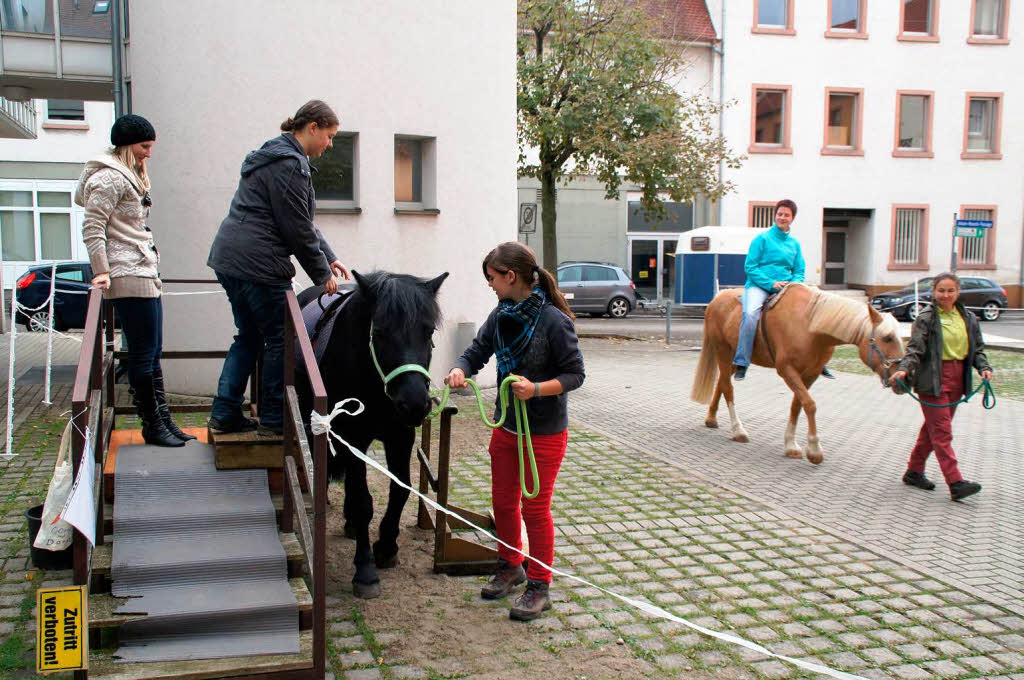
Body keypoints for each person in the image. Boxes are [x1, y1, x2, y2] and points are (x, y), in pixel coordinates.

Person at [445, 242, 585, 621]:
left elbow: (576, 374)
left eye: (492, 278)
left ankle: (540, 586)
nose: (489, 284)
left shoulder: (555, 321)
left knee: (534, 509)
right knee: (504, 502)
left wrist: (536, 389)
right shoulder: (501, 313)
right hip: (507, 425)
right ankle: (511, 564)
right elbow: (476, 351)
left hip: (544, 432)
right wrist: (461, 369)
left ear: (511, 276)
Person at [207, 100, 350, 436]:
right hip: (260, 265)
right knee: (281, 340)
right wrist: (322, 276)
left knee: (248, 337)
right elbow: (297, 227)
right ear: (312, 127)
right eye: (328, 136)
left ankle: (225, 411)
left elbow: (300, 220)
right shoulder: (290, 165)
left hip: (230, 259)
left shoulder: (271, 155)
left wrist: (328, 256)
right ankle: (273, 420)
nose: (329, 145)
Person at [76, 114, 193, 447]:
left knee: (153, 353)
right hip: (126, 273)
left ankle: (163, 421)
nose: (149, 153)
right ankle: (152, 425)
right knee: (143, 355)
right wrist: (101, 270)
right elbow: (92, 227)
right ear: (128, 145)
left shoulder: (132, 176)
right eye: (145, 146)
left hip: (144, 270)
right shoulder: (109, 178)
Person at [888, 273, 991, 502]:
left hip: (957, 379)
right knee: (942, 433)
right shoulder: (926, 318)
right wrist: (904, 369)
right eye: (941, 291)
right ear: (934, 292)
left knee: (932, 431)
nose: (945, 295)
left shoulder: (968, 317)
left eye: (950, 291)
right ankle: (955, 482)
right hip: (932, 380)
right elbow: (915, 349)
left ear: (958, 292)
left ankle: (914, 471)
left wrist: (984, 367)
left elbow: (978, 349)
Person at [732, 199, 807, 380]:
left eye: (786, 215)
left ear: (792, 218)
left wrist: (792, 284)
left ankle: (816, 361)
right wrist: (771, 283)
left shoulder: (795, 244)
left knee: (809, 312)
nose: (782, 217)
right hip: (760, 285)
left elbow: (799, 270)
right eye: (780, 214)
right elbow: (750, 267)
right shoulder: (762, 239)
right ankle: (742, 361)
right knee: (750, 314)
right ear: (775, 216)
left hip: (786, 287)